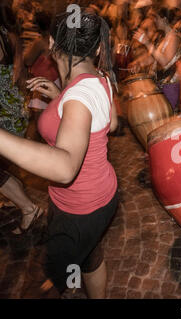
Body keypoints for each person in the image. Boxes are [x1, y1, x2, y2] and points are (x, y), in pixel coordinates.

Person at [0, 9, 119, 298]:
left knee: (51, 275)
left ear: (52, 43)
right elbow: (111, 122)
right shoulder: (99, 77)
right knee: (90, 256)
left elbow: (65, 167)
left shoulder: (78, 96)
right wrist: (61, 99)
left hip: (79, 208)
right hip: (101, 195)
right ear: (99, 47)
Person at [132, 7, 181, 112]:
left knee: (167, 116)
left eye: (156, 18)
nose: (154, 21)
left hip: (169, 85)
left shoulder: (174, 37)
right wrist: (139, 62)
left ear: (164, 19)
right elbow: (154, 57)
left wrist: (147, 43)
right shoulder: (163, 36)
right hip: (159, 84)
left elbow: (165, 61)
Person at [23, 10, 60, 141]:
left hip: (43, 84)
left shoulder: (40, 42)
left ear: (38, 26)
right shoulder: (57, 39)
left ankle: (35, 148)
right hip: (57, 82)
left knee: (38, 122)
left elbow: (27, 60)